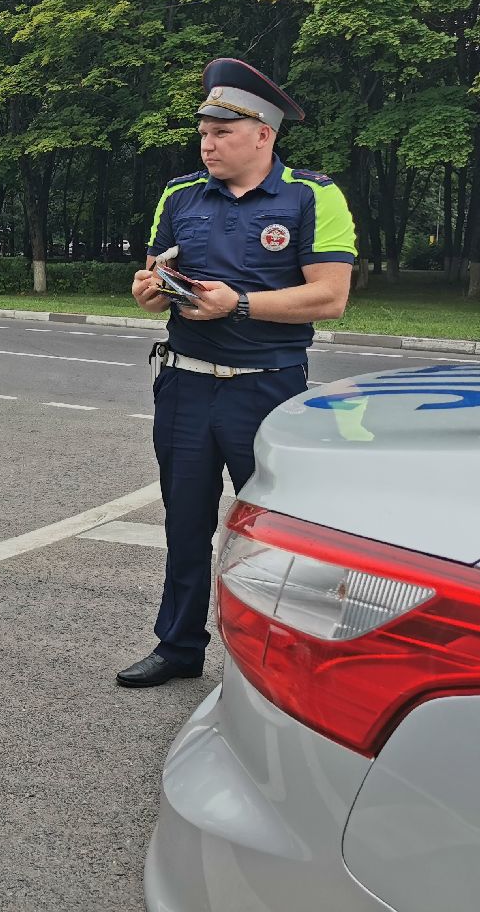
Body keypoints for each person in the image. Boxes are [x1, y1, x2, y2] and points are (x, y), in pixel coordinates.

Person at [117, 58, 357, 687]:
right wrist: (149, 291)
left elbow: (330, 297)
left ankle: (274, 662)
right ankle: (178, 646)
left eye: (222, 131)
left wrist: (240, 303)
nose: (207, 142)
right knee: (185, 521)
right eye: (203, 130)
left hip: (267, 387)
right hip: (186, 382)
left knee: (273, 534)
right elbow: (151, 278)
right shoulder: (179, 196)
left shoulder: (313, 196)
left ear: (263, 135)